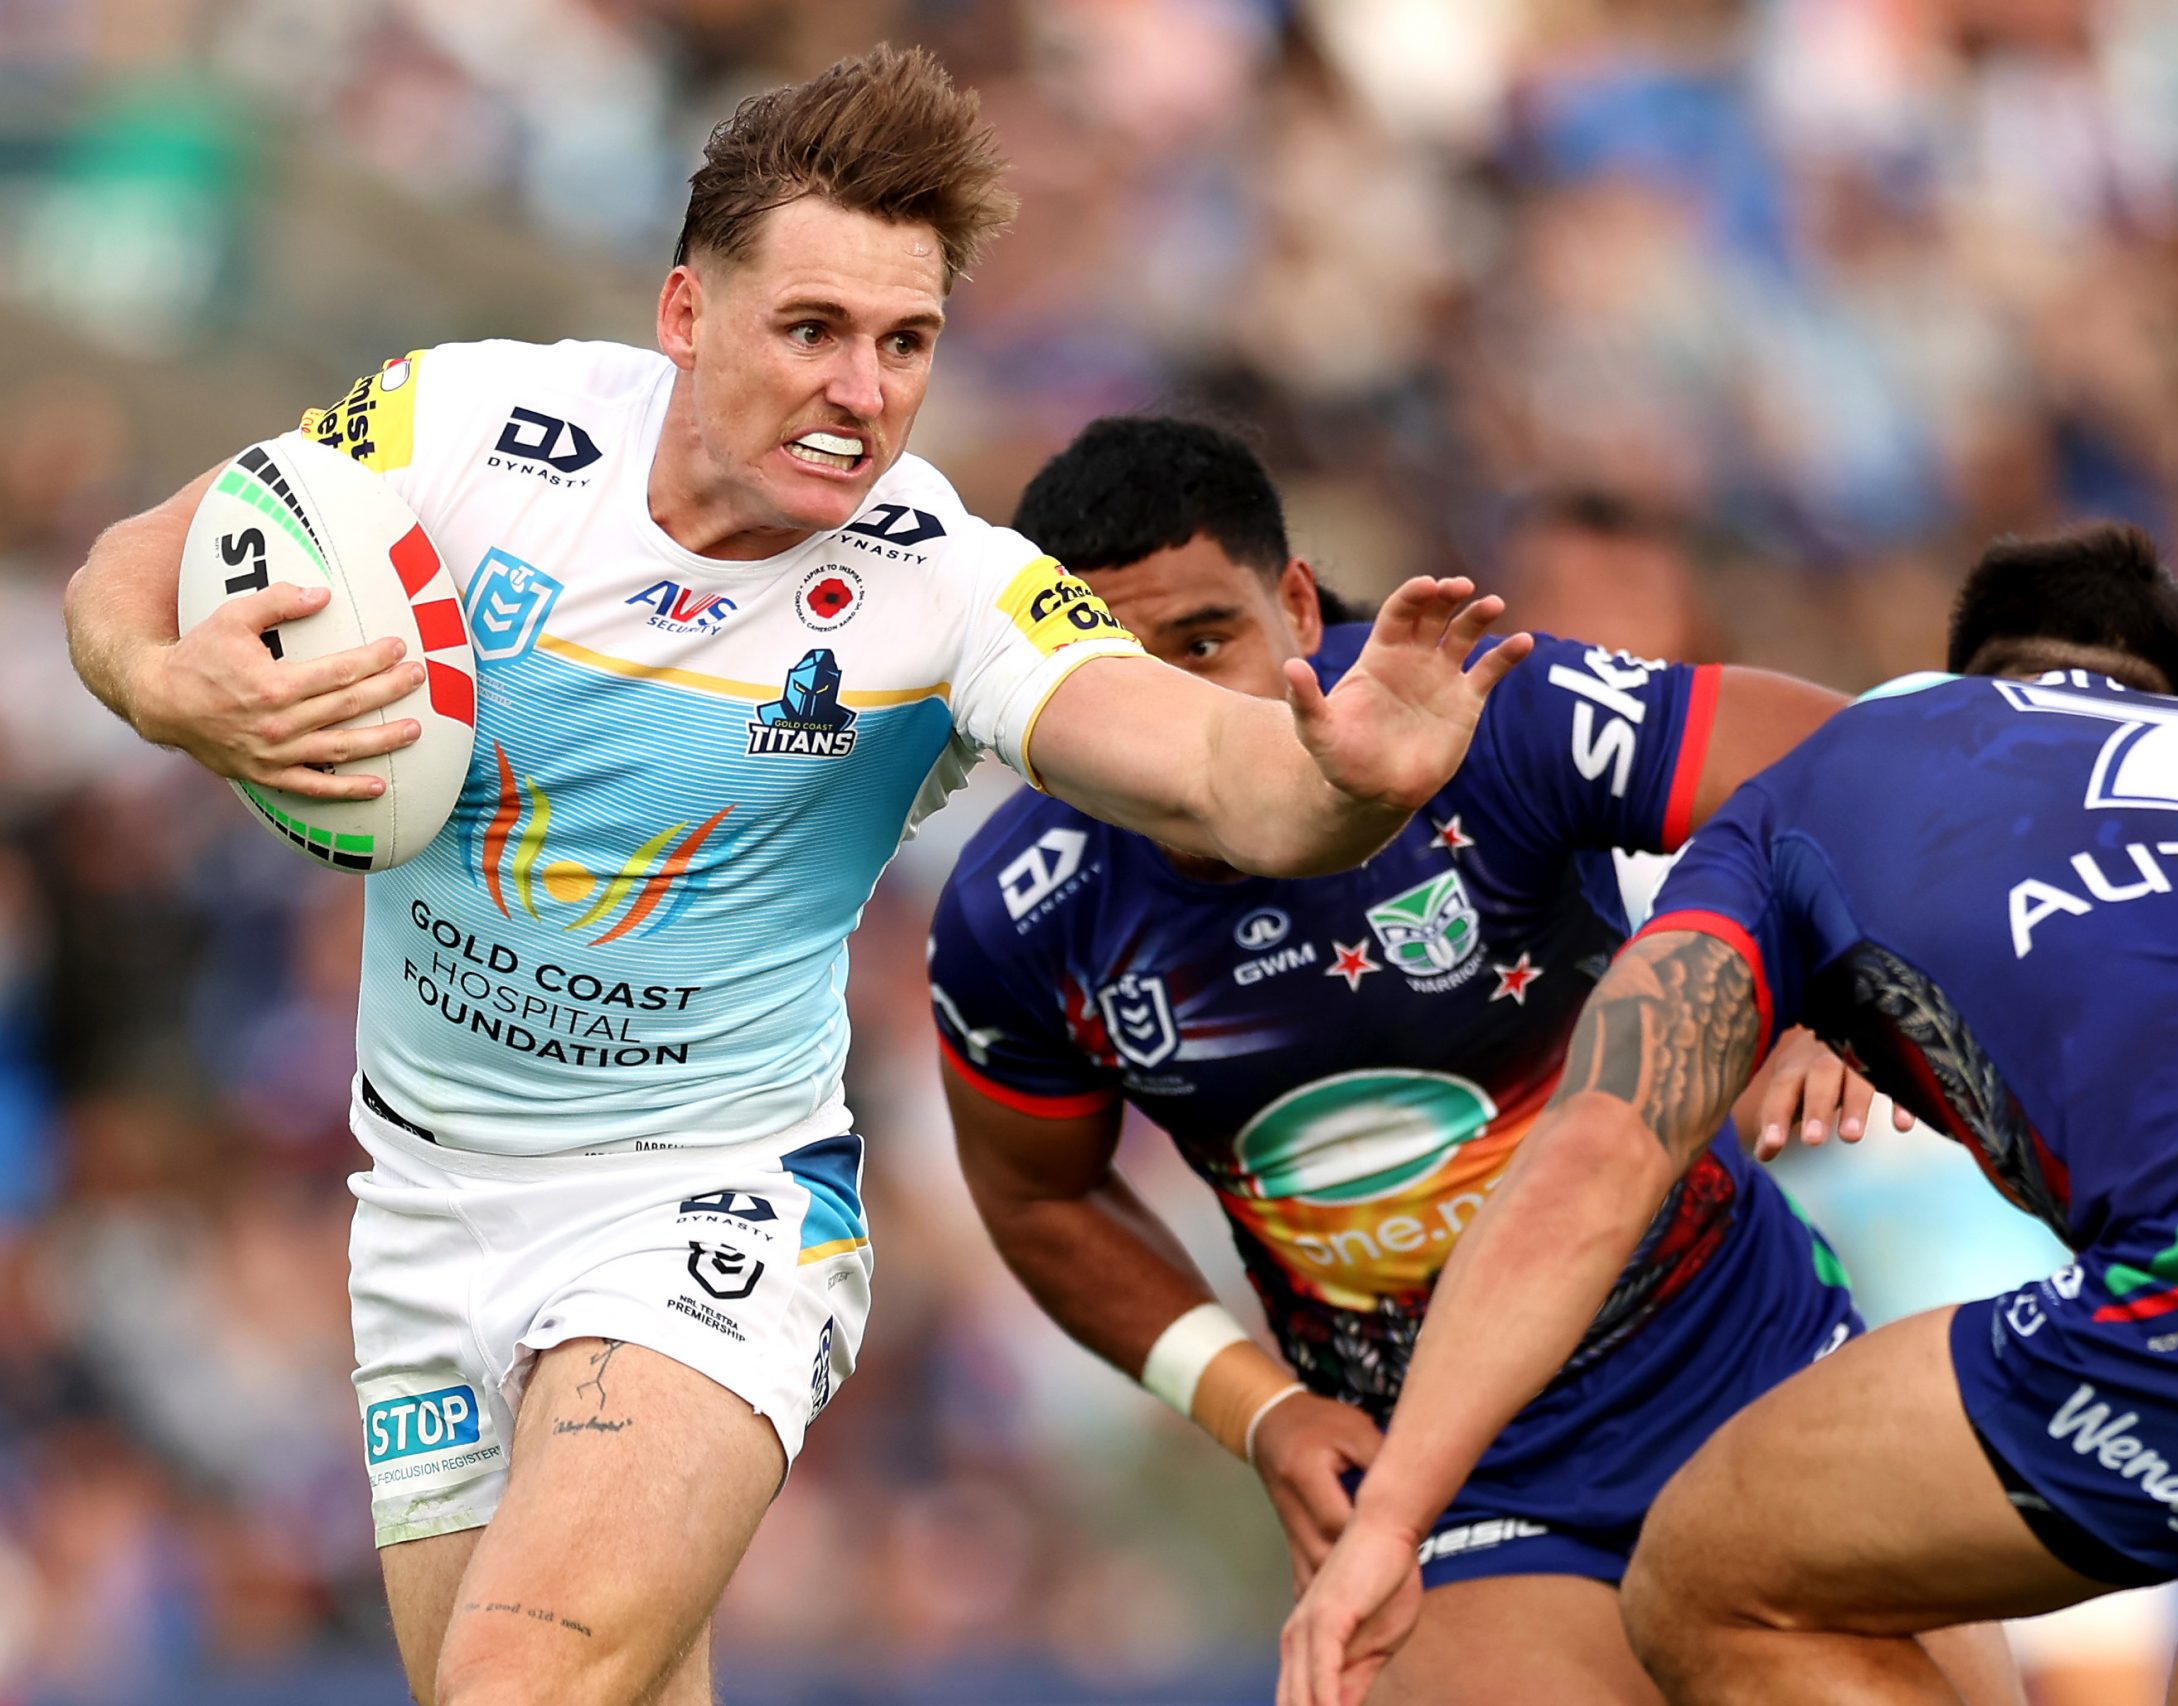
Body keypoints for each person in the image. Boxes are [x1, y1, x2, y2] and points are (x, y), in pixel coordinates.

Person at [61, 49, 1530, 1706]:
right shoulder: (464, 425)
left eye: (906, 343)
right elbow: (138, 561)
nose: (862, 390)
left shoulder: (952, 591)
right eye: (813, 330)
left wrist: (1344, 778)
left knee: (515, 1689)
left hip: (705, 1207)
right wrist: (164, 687)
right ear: (688, 313)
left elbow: (1216, 772)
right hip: (422, 1207)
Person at [1281, 523, 2178, 1706]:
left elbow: (1602, 1144)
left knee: (1709, 1575)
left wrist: (1391, 1518)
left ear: (1954, 686)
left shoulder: (1837, 775)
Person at [927, 417, 2018, 1705]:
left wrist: (1822, 993)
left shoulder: (1479, 712)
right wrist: (1253, 1408)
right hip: (1447, 1479)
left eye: (1205, 642)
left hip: (1751, 1362)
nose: (1174, 703)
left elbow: (1859, 768)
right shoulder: (1021, 916)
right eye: (1116, 663)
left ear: (1292, 604)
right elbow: (1039, 1197)